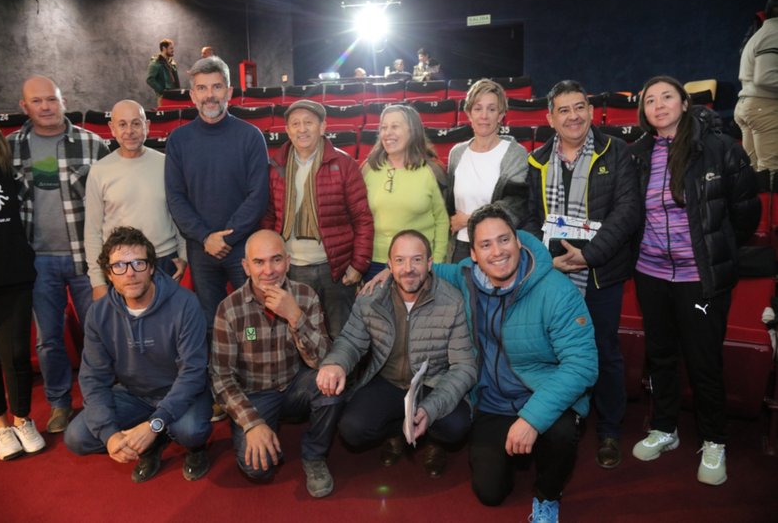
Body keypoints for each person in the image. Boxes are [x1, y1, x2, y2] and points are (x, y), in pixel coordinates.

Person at [363, 204, 597, 521]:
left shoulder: (556, 291)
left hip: (542, 395)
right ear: (473, 254)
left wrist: (531, 419)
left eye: (504, 240)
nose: (497, 252)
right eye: (485, 245)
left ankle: (547, 495)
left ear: (518, 241)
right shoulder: (465, 277)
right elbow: (425, 270)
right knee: (490, 493)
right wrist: (390, 271)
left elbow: (582, 366)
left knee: (560, 434)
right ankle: (514, 455)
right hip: (493, 402)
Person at [630, 76, 759, 486]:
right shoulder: (638, 154)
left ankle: (715, 439)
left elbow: (744, 213)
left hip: (698, 276)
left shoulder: (719, 149)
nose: (659, 104)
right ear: (644, 112)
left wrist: (712, 251)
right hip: (651, 273)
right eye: (650, 100)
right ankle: (665, 428)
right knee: (662, 354)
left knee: (704, 361)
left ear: (685, 103)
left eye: (667, 96)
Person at [524, 80, 641, 470]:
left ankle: (609, 430)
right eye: (564, 110)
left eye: (579, 107)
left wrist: (589, 256)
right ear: (550, 117)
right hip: (552, 275)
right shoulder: (537, 160)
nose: (572, 116)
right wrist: (545, 261)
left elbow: (626, 213)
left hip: (600, 274)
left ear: (591, 111)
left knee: (603, 351)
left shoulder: (616, 152)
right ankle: (565, 419)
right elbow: (530, 218)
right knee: (557, 352)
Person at [316, 230, 475, 478]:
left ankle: (436, 442)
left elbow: (464, 367)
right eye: (400, 260)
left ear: (430, 263)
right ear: (389, 265)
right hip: (387, 380)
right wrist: (336, 363)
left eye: (417, 260)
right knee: (352, 428)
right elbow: (350, 341)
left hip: (432, 382)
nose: (408, 268)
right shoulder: (370, 298)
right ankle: (396, 433)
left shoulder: (451, 301)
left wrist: (430, 409)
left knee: (457, 425)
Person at [64, 227, 212, 483]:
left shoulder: (185, 304)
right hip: (135, 394)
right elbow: (93, 379)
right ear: (109, 274)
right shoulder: (98, 314)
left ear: (152, 267)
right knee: (77, 437)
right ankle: (151, 443)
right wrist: (111, 435)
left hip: (180, 392)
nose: (130, 273)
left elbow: (193, 373)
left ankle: (190, 446)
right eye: (119, 265)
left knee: (191, 430)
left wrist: (154, 424)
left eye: (138, 263)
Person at [165, 55, 268, 422]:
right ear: (192, 95)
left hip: (243, 249)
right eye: (202, 88)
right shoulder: (178, 140)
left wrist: (227, 235)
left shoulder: (250, 136)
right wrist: (205, 237)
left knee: (251, 320)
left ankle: (256, 389)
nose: (210, 95)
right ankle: (219, 392)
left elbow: (258, 195)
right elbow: (175, 197)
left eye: (217, 87)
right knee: (211, 324)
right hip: (201, 249)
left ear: (230, 91)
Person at [8, 76, 110, 434]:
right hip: (37, 260)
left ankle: (100, 398)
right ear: (24, 107)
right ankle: (60, 403)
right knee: (48, 338)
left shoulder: (92, 144)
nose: (46, 106)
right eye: (37, 101)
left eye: (52, 99)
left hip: (86, 258)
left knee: (98, 333)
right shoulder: (9, 149)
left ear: (63, 101)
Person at [210, 230, 342, 498]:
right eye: (259, 262)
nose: (269, 270)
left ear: (288, 262)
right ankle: (265, 430)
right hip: (254, 394)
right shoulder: (229, 309)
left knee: (332, 385)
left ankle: (314, 456)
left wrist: (295, 317)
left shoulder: (306, 296)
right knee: (256, 468)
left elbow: (324, 361)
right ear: (246, 267)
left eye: (276, 260)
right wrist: (252, 423)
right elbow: (221, 378)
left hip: (295, 384)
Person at [0, 97, 46, 461]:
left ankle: (22, 419)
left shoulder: (6, 166)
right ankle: (0, 427)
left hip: (12, 276)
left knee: (15, 354)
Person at [260, 100, 373, 340]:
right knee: (299, 334)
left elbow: (362, 218)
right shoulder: (275, 166)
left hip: (335, 269)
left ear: (323, 127)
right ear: (288, 130)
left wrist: (358, 265)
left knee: (340, 335)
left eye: (309, 123)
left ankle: (344, 378)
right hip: (292, 269)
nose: (302, 129)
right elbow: (269, 216)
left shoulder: (344, 165)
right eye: (295, 124)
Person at [84, 100, 186, 302]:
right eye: (122, 124)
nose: (129, 130)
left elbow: (179, 214)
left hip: (164, 261)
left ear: (147, 126)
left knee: (168, 330)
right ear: (112, 129)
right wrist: (97, 281)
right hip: (121, 267)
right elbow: (93, 230)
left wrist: (183, 255)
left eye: (136, 123)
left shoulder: (166, 164)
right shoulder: (99, 171)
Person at [361, 104, 448, 281]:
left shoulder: (432, 170)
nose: (387, 133)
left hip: (417, 262)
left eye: (395, 126)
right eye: (383, 128)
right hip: (374, 262)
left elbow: (442, 221)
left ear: (412, 131)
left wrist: (436, 263)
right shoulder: (368, 169)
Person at [446, 78, 528, 262]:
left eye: (491, 109)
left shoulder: (515, 153)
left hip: (496, 250)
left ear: (500, 115)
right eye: (478, 108)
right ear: (469, 113)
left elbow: (514, 206)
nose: (484, 116)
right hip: (459, 247)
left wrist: (467, 220)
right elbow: (449, 205)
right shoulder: (457, 153)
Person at [734, 0, 778, 173]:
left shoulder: (761, 33)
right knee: (771, 172)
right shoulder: (775, 32)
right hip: (763, 108)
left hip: (748, 106)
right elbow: (765, 78)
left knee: (753, 173)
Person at [146, 38, 180, 106]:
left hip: (174, 95)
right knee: (166, 115)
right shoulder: (156, 62)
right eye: (171, 48)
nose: (173, 50)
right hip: (163, 98)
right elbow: (150, 79)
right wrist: (162, 91)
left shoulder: (171, 62)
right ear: (164, 48)